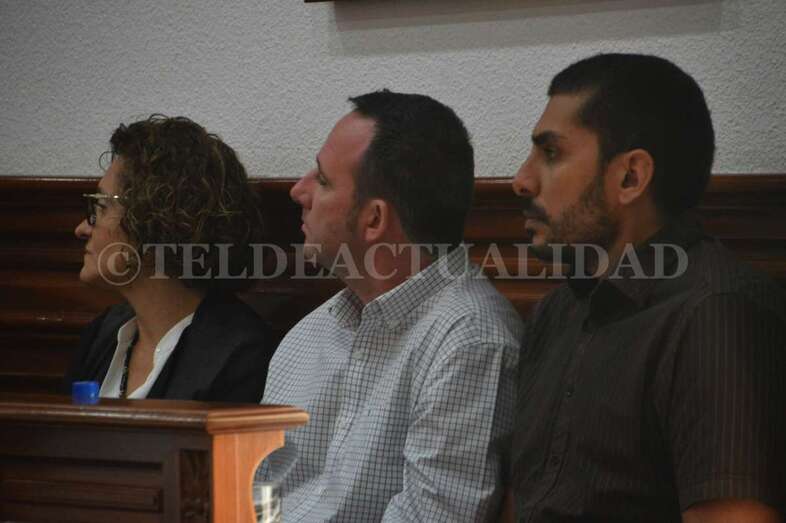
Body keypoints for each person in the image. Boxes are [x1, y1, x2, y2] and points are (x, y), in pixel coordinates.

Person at [509, 53, 785, 521]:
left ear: (631, 177)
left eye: (550, 153)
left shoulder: (715, 313)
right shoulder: (557, 309)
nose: (521, 180)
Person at [261, 90, 524, 521]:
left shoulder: (471, 342)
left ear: (374, 220)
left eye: (323, 181)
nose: (298, 190)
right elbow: (252, 497)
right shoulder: (309, 334)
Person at [65, 115, 275, 402]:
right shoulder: (104, 333)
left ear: (155, 221)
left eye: (101, 207)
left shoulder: (238, 355)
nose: (81, 228)